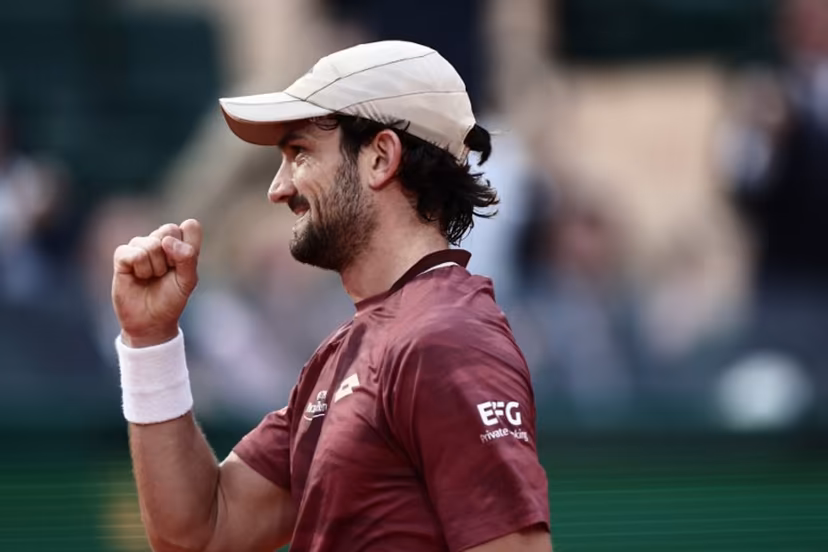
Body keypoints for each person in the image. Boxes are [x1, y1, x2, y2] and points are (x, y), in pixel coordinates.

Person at [112, 41, 552, 552]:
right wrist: (150, 340)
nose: (278, 188)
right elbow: (198, 531)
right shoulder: (348, 351)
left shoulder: (446, 339)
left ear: (381, 157)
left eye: (299, 154)